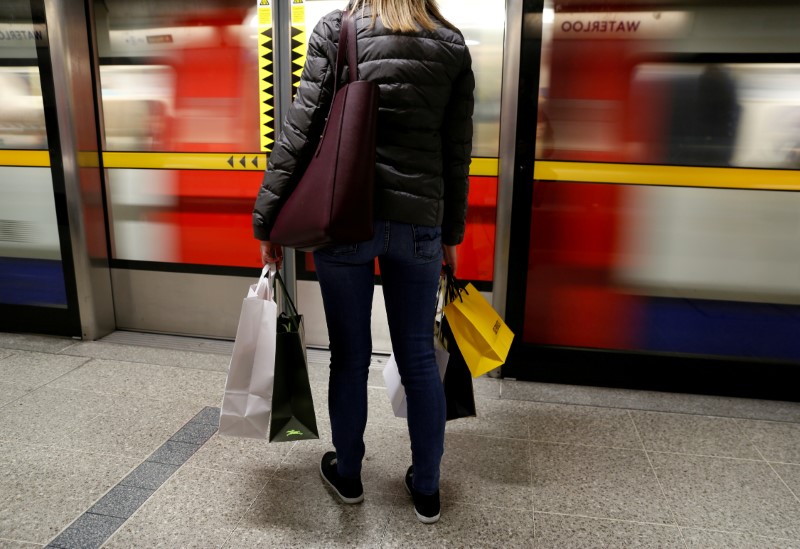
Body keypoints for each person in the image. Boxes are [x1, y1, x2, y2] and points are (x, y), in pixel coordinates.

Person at [252, 0, 474, 524]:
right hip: (420, 224)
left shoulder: (339, 28)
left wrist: (268, 217)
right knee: (418, 358)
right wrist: (451, 232)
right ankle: (426, 488)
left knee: (349, 356)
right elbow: (455, 150)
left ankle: (347, 473)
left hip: (347, 219)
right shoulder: (451, 42)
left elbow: (301, 130)